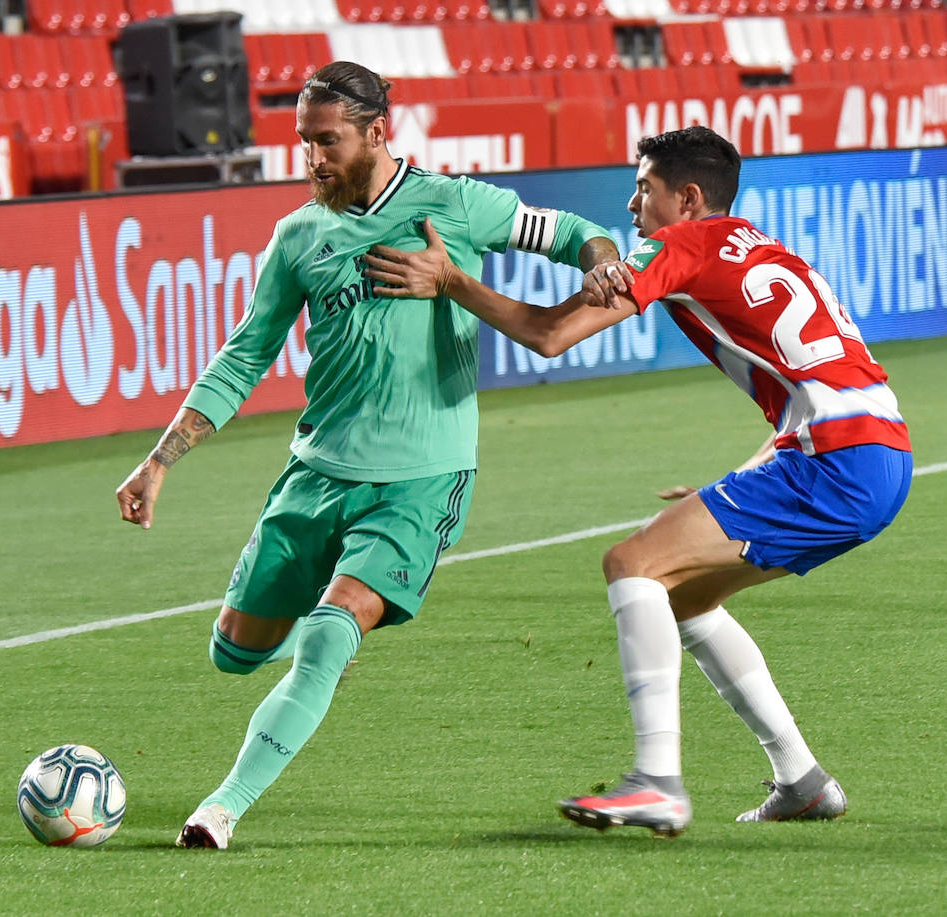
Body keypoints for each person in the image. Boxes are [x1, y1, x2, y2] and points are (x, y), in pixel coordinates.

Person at [114, 60, 622, 849]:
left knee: (327, 634)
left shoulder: (454, 204)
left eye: (328, 142)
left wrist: (602, 266)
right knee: (234, 652)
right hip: (317, 473)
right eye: (303, 144)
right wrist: (159, 460)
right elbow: (245, 355)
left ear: (377, 132)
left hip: (422, 476)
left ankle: (221, 807)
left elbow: (569, 233)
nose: (312, 160)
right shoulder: (299, 235)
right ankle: (322, 632)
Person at [364, 126, 911, 836]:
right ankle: (801, 779)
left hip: (831, 460)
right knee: (679, 595)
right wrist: (752, 474)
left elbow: (550, 335)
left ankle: (657, 781)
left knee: (631, 564)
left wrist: (453, 281)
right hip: (880, 454)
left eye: (643, 188)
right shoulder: (761, 246)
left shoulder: (678, 244)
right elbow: (820, 385)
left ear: (686, 197)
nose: (630, 206)